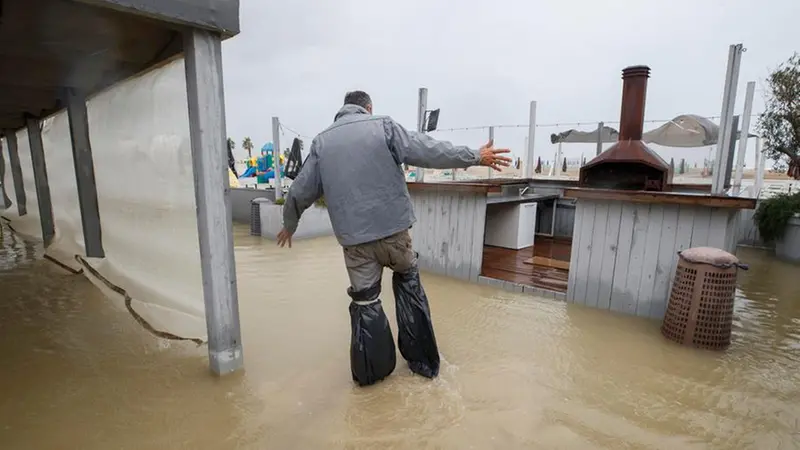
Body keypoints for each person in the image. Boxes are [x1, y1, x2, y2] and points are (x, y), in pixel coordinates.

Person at [277, 90, 511, 386]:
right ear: (368, 107)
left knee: (366, 303)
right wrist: (475, 156)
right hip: (395, 236)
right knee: (408, 284)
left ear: (342, 110)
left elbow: (299, 191)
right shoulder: (383, 126)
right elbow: (428, 150)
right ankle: (422, 363)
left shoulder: (322, 142)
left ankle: (372, 378)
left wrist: (289, 224)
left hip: (356, 246)